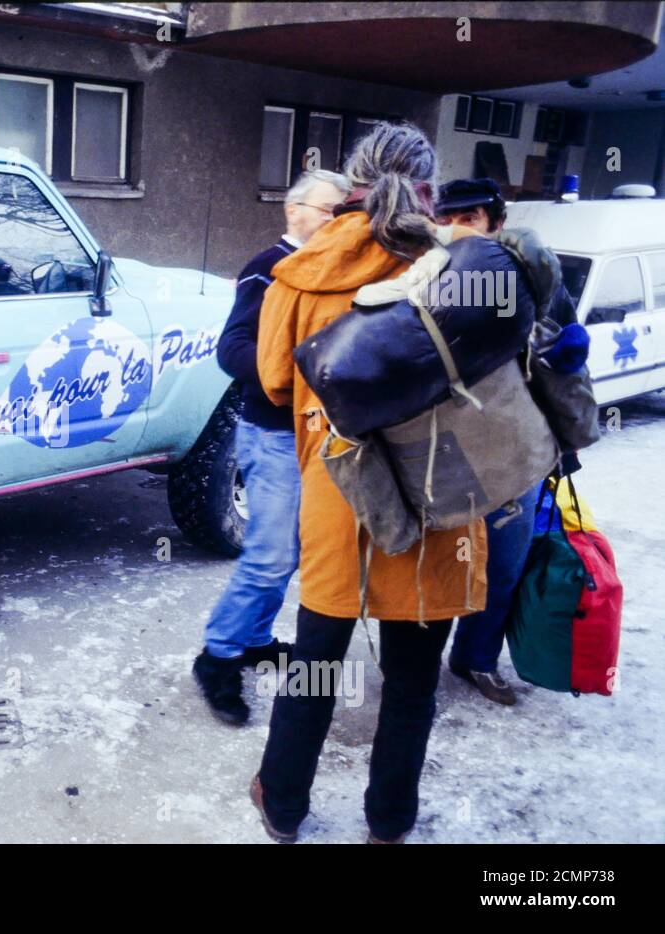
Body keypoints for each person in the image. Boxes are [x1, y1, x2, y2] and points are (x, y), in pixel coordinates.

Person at [250, 122, 489, 844]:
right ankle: (389, 823)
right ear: (429, 184)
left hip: (340, 490)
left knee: (317, 664)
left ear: (350, 181)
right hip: (440, 493)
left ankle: (284, 804)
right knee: (413, 682)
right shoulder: (459, 266)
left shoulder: (303, 267)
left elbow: (270, 378)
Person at [193, 169, 350, 726]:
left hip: (319, 436)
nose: (338, 222)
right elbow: (231, 348)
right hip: (276, 433)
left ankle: (255, 638)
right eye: (329, 210)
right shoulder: (269, 267)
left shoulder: (334, 272)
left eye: (343, 212)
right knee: (269, 554)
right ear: (294, 210)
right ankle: (217, 657)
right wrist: (285, 375)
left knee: (291, 550)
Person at [434, 178, 583, 706]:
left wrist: (568, 350)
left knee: (503, 565)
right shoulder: (427, 275)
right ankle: (418, 663)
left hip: (517, 453)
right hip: (444, 450)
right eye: (449, 218)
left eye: (471, 218)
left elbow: (563, 343)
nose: (458, 229)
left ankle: (476, 658)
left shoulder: (533, 275)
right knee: (438, 563)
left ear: (497, 223)